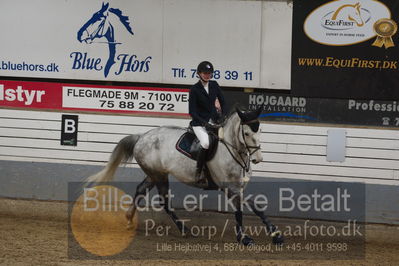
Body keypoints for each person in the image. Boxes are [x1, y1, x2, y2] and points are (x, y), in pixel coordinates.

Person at [189, 61, 226, 183]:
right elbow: (192, 112)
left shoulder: (214, 85)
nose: (207, 75)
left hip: (215, 121)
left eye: (209, 73)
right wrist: (205, 123)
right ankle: (199, 172)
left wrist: (224, 116)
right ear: (199, 73)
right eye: (204, 73)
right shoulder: (194, 89)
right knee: (205, 143)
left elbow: (223, 102)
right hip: (199, 123)